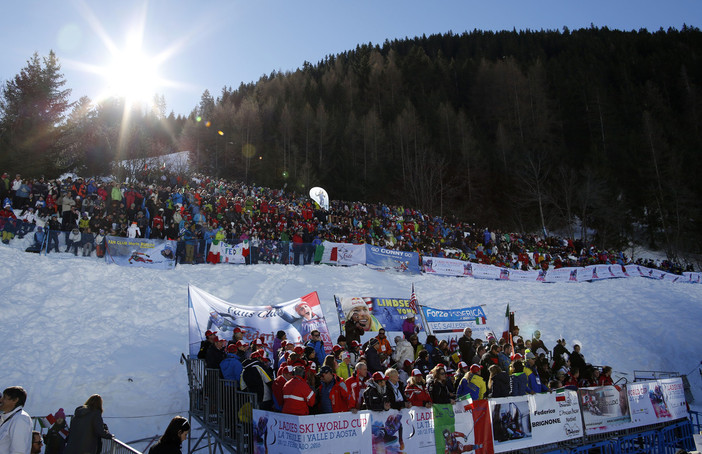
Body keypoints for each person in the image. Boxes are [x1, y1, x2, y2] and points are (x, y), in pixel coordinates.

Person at [0, 386, 32, 454]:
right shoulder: (8, 418)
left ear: (15, 400)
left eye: (4, 397)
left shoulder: (20, 418)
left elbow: (19, 451)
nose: (1, 400)